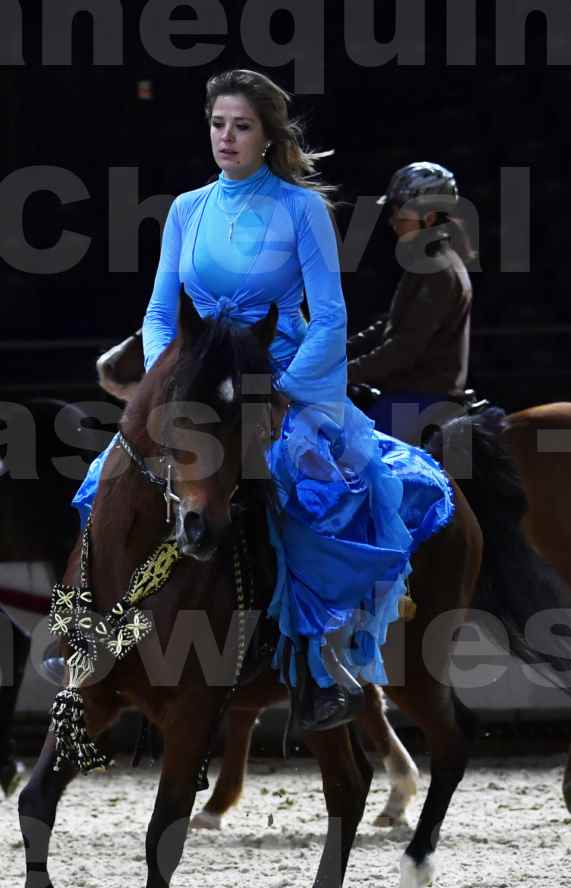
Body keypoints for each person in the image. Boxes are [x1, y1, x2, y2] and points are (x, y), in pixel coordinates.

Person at [73, 70, 454, 730]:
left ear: (267, 135)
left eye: (241, 125)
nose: (226, 137)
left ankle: (314, 671)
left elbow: (329, 317)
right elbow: (161, 312)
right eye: (217, 123)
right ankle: (92, 636)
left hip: (276, 370)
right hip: (193, 374)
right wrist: (169, 384)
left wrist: (278, 394)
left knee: (305, 497)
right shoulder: (187, 208)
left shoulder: (299, 207)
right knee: (106, 481)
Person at [347, 162, 475, 444]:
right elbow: (390, 324)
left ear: (428, 219)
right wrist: (340, 350)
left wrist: (347, 372)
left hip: (419, 402)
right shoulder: (425, 263)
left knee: (349, 451)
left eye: (399, 213)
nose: (392, 220)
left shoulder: (438, 269)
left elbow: (404, 348)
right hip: (409, 396)